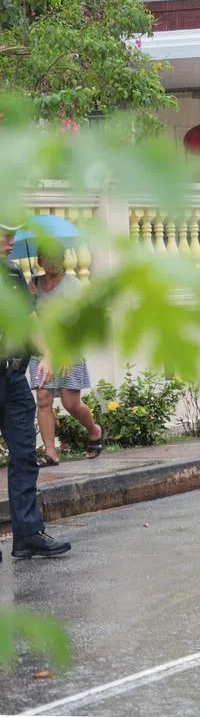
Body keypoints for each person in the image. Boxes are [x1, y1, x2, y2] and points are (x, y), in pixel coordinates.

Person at [0, 222, 71, 559]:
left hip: (12, 376)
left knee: (25, 455)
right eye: (4, 235)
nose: (10, 242)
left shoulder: (13, 273)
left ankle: (27, 534)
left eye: (13, 236)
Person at [27, 249, 104, 467]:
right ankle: (51, 453)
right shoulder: (33, 285)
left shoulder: (74, 286)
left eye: (58, 257)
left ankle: (95, 431)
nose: (54, 262)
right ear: (40, 261)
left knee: (71, 403)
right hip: (41, 351)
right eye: (48, 258)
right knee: (43, 398)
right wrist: (29, 298)